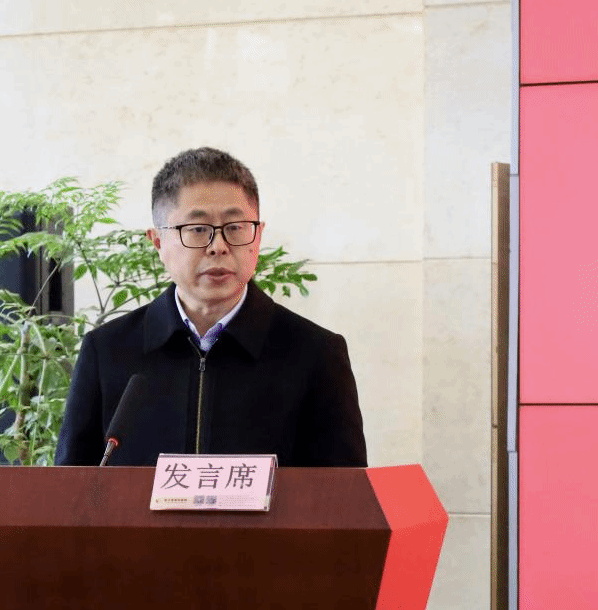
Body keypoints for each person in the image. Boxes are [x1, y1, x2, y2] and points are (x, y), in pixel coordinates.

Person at [55, 147, 367, 467]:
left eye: (235, 227)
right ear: (158, 241)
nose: (218, 246)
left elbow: (344, 492)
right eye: (198, 229)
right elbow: (68, 486)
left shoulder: (316, 354)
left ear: (258, 235)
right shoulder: (107, 351)